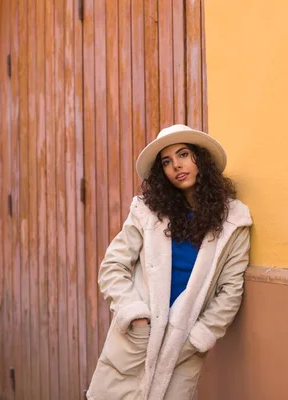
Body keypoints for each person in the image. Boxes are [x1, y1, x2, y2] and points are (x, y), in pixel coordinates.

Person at [86, 124, 252, 400]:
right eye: (167, 161)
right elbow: (112, 266)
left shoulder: (234, 220)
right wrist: (136, 317)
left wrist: (199, 336)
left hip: (184, 346)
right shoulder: (147, 212)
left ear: (201, 159)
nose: (176, 165)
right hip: (137, 340)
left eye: (183, 154)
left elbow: (231, 289)